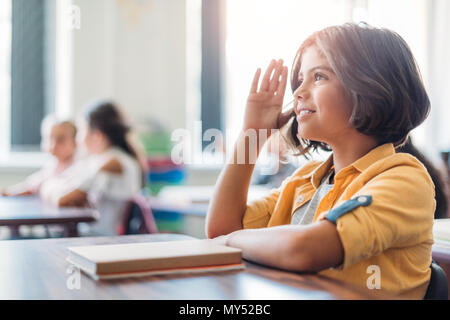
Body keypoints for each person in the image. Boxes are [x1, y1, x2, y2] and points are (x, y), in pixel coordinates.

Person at [206, 23, 435, 299]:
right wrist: (252, 135)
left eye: (318, 77)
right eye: (300, 79)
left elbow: (304, 249)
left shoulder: (403, 179)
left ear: (370, 88)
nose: (298, 92)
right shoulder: (307, 180)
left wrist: (230, 241)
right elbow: (220, 227)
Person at [40, 101, 145, 236]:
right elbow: (57, 183)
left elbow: (61, 199)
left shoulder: (112, 163)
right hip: (96, 236)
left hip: (102, 239)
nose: (78, 139)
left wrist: (51, 188)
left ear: (97, 136)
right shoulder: (99, 161)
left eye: (81, 131)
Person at [2, 115, 77, 197]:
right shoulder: (52, 166)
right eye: (50, 138)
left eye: (60, 140)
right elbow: (32, 184)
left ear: (75, 142)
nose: (53, 145)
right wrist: (9, 191)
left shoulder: (77, 168)